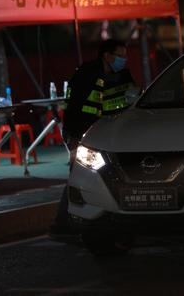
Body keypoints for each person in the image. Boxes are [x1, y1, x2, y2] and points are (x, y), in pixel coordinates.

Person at [49, 39, 137, 237]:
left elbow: (132, 97)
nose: (124, 60)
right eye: (120, 56)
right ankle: (63, 226)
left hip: (111, 136)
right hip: (81, 133)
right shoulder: (86, 74)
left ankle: (106, 219)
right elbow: (74, 108)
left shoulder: (123, 75)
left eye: (125, 56)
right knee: (78, 176)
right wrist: (76, 139)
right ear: (107, 55)